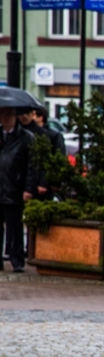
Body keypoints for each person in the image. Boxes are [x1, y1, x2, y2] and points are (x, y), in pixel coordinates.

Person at [0, 107, 38, 273]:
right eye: (2, 115)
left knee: (14, 226)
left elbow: (32, 165)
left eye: (8, 115)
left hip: (14, 187)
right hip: (1, 186)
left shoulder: (26, 138)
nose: (4, 119)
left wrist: (28, 188)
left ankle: (17, 260)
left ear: (15, 117)